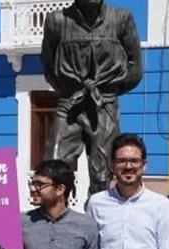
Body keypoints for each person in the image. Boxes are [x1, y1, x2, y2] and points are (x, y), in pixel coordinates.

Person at [41, 0, 143, 198]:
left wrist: (109, 91)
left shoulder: (121, 18)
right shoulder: (57, 20)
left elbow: (135, 67)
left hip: (104, 105)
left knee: (102, 175)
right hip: (70, 105)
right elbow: (48, 64)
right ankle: (55, 223)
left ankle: (98, 221)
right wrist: (70, 90)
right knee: (53, 167)